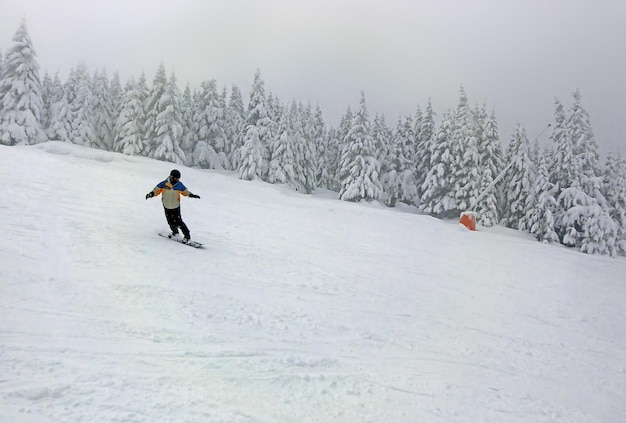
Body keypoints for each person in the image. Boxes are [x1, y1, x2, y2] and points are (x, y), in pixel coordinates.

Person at [146, 169, 200, 243]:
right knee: (170, 222)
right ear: (171, 177)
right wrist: (151, 194)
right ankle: (175, 233)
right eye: (176, 178)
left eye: (178, 178)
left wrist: (192, 195)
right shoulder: (163, 184)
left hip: (176, 206)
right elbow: (156, 190)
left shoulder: (179, 185)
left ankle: (187, 237)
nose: (177, 180)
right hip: (167, 206)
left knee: (179, 222)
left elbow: (185, 192)